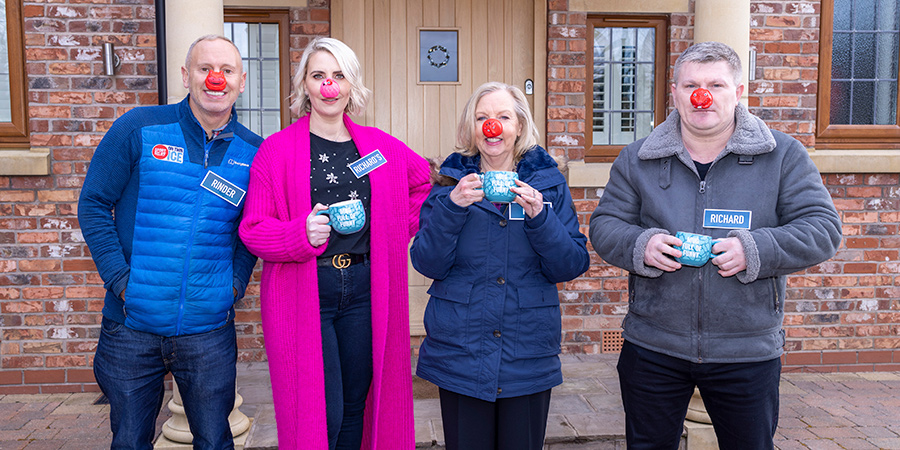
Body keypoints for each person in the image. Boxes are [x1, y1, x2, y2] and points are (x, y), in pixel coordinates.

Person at [589, 41, 842, 449]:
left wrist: (754, 249)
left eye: (715, 85)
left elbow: (823, 228)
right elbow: (604, 226)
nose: (700, 96)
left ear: (738, 92)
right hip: (654, 346)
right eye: (690, 85)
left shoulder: (782, 156)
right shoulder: (638, 159)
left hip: (746, 350)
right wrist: (642, 245)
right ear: (674, 93)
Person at [238, 37, 431, 449]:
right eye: (319, 75)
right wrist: (298, 235)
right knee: (320, 408)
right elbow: (253, 229)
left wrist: (395, 227)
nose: (329, 85)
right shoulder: (277, 150)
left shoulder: (379, 146)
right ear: (305, 86)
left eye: (338, 76)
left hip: (364, 289)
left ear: (350, 85)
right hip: (306, 291)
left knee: (354, 404)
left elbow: (422, 183)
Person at [78, 35, 261, 449]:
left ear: (241, 82)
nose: (216, 78)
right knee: (129, 440)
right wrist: (121, 282)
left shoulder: (254, 152)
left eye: (227, 70)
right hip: (131, 326)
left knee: (214, 441)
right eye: (204, 69)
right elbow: (93, 204)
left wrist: (231, 287)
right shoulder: (138, 128)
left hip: (207, 332)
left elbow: (251, 231)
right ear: (186, 76)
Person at [410, 82, 590, 450]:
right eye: (482, 118)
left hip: (527, 354)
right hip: (460, 354)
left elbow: (570, 264)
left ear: (519, 126)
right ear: (472, 129)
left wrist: (541, 216)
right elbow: (426, 261)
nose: (493, 126)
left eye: (503, 117)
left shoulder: (549, 186)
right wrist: (452, 208)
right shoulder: (447, 184)